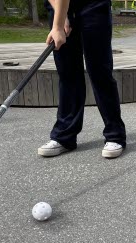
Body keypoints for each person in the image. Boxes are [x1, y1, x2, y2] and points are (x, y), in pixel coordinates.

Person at [40, 0, 126, 159]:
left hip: (94, 5)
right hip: (58, 6)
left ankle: (115, 134)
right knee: (67, 73)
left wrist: (58, 25)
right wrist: (61, 15)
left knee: (100, 71)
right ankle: (65, 136)